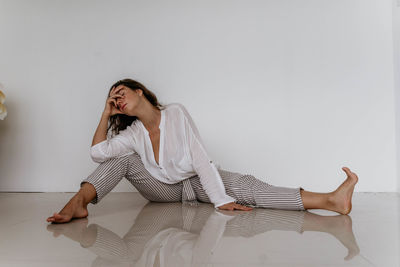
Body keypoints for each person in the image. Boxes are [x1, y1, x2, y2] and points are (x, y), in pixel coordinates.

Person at [46, 79, 359, 224]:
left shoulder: (176, 113)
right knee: (124, 159)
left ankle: (331, 200)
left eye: (121, 93)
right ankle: (78, 204)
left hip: (195, 181)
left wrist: (221, 199)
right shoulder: (132, 134)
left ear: (139, 91)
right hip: (162, 189)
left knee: (247, 187)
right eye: (114, 100)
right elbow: (99, 153)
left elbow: (198, 157)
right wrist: (104, 113)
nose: (118, 100)